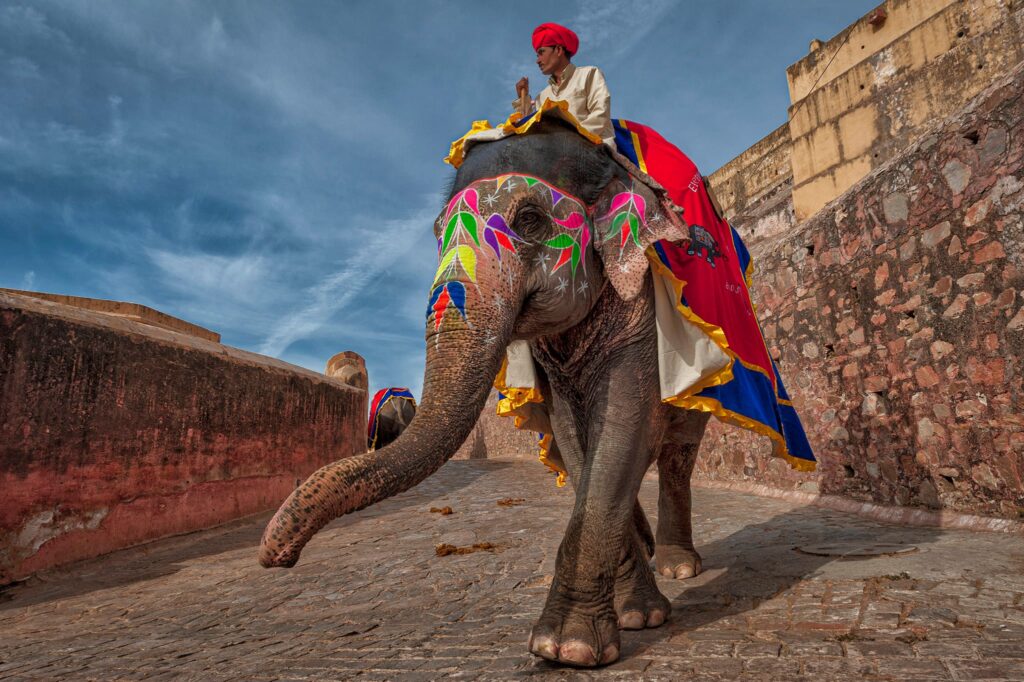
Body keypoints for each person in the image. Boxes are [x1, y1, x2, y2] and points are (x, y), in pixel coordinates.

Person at [514, 22, 615, 147]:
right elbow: (528, 130)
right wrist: (522, 100)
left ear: (558, 50)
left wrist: (571, 140)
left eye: (541, 52)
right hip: (557, 155)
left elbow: (601, 114)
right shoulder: (542, 96)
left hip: (595, 147)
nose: (537, 61)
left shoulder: (589, 74)